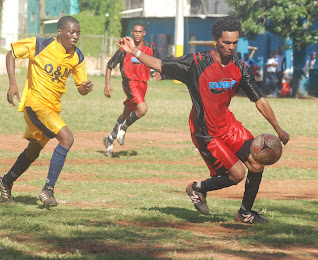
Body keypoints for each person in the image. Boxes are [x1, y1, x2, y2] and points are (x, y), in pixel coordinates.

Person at [116, 16, 290, 224]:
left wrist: (277, 129)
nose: (231, 47)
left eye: (235, 43)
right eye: (226, 43)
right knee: (237, 174)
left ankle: (245, 212)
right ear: (216, 39)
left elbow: (259, 100)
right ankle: (197, 188)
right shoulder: (196, 63)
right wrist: (134, 51)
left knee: (256, 165)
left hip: (229, 126)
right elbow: (160, 64)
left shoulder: (240, 67)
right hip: (205, 131)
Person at [0, 16, 93, 206]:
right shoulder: (40, 45)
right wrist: (12, 84)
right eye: (71, 32)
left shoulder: (77, 56)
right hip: (35, 104)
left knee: (33, 151)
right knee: (67, 138)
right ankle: (47, 190)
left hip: (52, 109)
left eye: (78, 33)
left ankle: (5, 182)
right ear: (60, 32)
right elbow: (11, 53)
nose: (75, 36)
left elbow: (81, 89)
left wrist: (86, 87)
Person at [103, 22, 161, 157]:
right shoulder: (125, 48)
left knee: (126, 113)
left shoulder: (151, 47)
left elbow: (159, 62)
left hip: (143, 84)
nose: (138, 34)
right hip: (129, 83)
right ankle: (123, 127)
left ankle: (109, 139)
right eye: (135, 31)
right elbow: (109, 65)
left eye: (140, 32)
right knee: (142, 109)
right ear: (131, 32)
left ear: (144, 33)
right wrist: (107, 84)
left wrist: (160, 72)